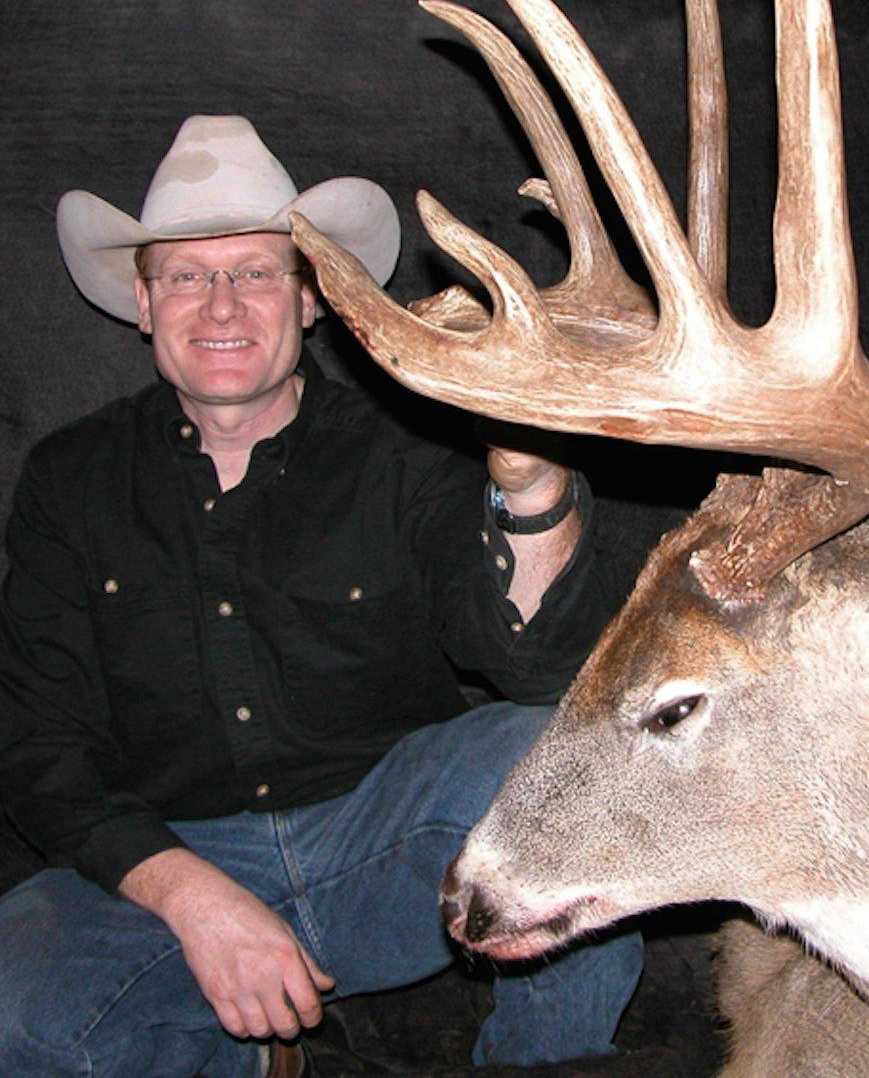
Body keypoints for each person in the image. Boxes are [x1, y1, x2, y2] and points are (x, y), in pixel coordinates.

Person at [0, 116, 642, 1077]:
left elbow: (537, 666)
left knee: (565, 770)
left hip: (383, 841)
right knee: (21, 1005)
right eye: (186, 275)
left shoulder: (406, 449)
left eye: (257, 272)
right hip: (170, 865)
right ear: (143, 302)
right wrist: (193, 898)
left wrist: (531, 481)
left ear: (310, 299)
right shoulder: (68, 478)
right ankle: (258, 1058)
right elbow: (39, 745)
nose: (222, 304)